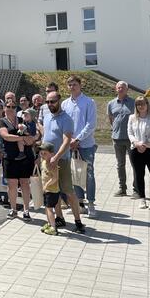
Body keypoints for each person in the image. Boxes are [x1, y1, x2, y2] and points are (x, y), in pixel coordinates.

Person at [42, 91, 85, 233]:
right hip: (48, 161)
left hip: (62, 161)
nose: (50, 104)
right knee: (54, 191)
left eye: (52, 101)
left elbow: (67, 141)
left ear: (59, 100)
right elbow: (46, 138)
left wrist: (57, 157)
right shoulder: (47, 117)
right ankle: (59, 218)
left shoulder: (66, 118)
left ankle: (78, 223)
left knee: (68, 192)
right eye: (47, 102)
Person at [61, 75, 98, 218]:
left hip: (85, 144)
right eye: (69, 84)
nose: (72, 87)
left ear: (80, 85)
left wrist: (78, 139)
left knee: (88, 175)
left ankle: (91, 203)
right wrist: (69, 140)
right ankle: (80, 204)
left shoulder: (89, 102)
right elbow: (64, 124)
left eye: (74, 84)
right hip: (70, 145)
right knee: (75, 174)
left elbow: (91, 124)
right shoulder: (65, 104)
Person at [0, 99, 36, 220]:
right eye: (8, 106)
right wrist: (21, 139)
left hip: (25, 157)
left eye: (13, 106)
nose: (11, 109)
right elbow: (6, 136)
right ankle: (13, 209)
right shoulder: (2, 122)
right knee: (12, 185)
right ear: (4, 108)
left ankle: (26, 210)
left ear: (16, 109)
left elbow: (31, 139)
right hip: (9, 157)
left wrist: (25, 137)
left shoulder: (22, 120)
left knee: (25, 183)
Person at [128, 96, 150, 209]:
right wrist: (136, 143)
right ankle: (142, 198)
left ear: (147, 105)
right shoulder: (132, 118)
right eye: (138, 104)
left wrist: (146, 144)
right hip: (136, 150)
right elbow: (130, 133)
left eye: (143, 104)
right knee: (139, 175)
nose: (141, 106)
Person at [107, 81, 137, 197]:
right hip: (117, 139)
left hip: (131, 139)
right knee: (120, 165)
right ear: (116, 89)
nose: (120, 89)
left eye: (123, 88)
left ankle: (136, 189)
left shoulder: (134, 103)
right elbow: (111, 119)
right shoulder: (111, 104)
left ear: (127, 89)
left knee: (135, 164)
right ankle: (122, 188)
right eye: (118, 87)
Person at [39, 142, 60, 235]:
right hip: (46, 190)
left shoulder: (53, 165)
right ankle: (49, 223)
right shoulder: (43, 162)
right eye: (41, 153)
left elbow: (55, 178)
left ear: (52, 154)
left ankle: (53, 227)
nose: (42, 155)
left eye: (45, 153)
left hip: (52, 191)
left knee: (49, 209)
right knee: (47, 208)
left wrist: (47, 185)